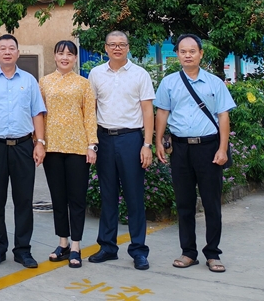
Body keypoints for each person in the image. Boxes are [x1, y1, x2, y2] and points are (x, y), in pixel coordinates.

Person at [154, 34, 236, 273]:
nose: (188, 55)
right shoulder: (169, 82)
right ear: (177, 55)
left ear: (201, 53)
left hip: (208, 148)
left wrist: (222, 148)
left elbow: (223, 117)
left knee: (212, 203)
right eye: (183, 51)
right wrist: (158, 141)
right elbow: (162, 113)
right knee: (184, 203)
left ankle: (213, 253)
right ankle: (188, 252)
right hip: (180, 149)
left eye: (192, 51)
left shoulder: (215, 83)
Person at [0, 34, 47, 269]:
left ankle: (23, 250)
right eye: (3, 48)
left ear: (18, 53)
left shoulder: (29, 80)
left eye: (11, 48)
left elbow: (37, 113)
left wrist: (40, 143)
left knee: (23, 200)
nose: (7, 52)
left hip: (23, 146)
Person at [87, 31, 155, 271]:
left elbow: (148, 111)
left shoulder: (140, 74)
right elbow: (91, 109)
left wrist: (147, 144)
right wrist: (91, 143)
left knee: (134, 196)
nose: (117, 48)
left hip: (131, 139)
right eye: (113, 44)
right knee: (108, 195)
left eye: (122, 44)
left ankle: (138, 250)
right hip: (104, 138)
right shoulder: (96, 74)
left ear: (128, 47)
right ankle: (107, 246)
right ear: (105, 48)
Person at [39, 40, 98, 268]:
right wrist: (38, 142)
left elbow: (90, 116)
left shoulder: (83, 84)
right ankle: (62, 243)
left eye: (69, 54)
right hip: (52, 147)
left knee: (77, 198)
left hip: (77, 148)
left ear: (75, 58)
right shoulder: (44, 82)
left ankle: (76, 246)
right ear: (54, 56)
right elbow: (39, 115)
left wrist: (92, 145)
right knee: (58, 198)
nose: (65, 57)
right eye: (61, 53)